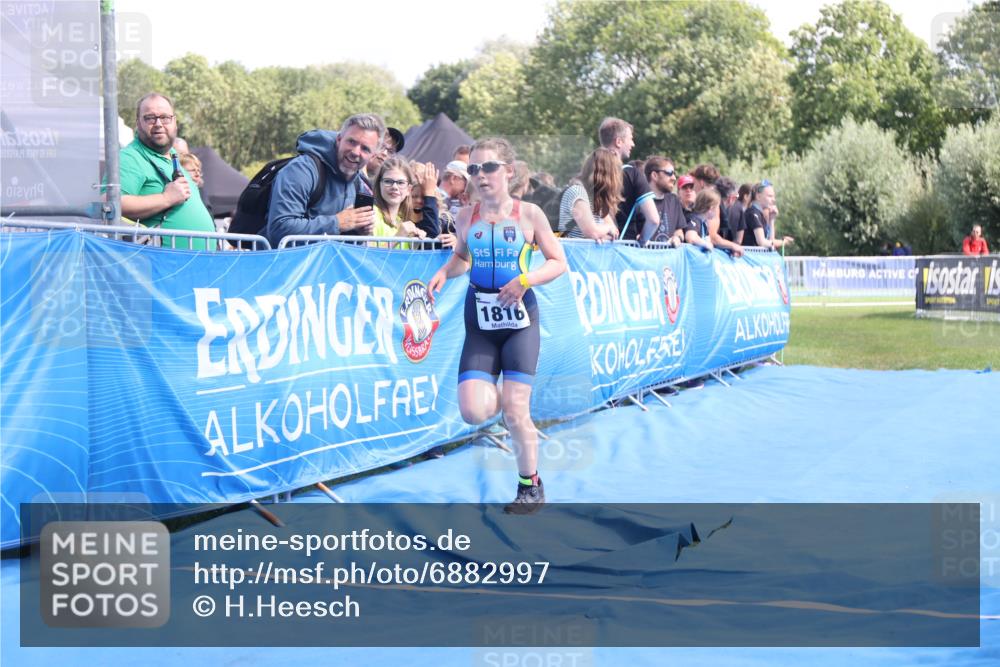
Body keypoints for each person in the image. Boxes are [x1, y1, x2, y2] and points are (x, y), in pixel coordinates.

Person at [427, 138, 567, 513]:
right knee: (473, 411)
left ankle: (530, 486)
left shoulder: (530, 214)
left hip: (520, 321)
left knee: (515, 410)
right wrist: (445, 271)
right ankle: (512, 403)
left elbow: (558, 262)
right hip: (480, 322)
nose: (480, 175)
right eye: (473, 169)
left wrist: (525, 280)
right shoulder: (464, 216)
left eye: (488, 167)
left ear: (508, 171)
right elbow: (462, 257)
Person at [265, 113, 384, 247]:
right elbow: (279, 229)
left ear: (372, 156)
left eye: (365, 149)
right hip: (282, 260)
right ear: (339, 139)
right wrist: (337, 223)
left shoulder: (360, 185)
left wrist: (358, 232)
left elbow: (342, 242)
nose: (355, 152)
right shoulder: (302, 170)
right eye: (352, 142)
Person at [119, 93, 215, 249]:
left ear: (174, 122)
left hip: (197, 260)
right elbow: (113, 203)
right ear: (138, 123)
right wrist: (166, 198)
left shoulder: (172, 156)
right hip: (165, 261)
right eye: (150, 118)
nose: (158, 123)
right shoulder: (131, 157)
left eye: (165, 117)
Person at [598, 117, 659, 243]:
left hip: (593, 247)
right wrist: (643, 240)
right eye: (630, 139)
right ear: (619, 142)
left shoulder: (590, 173)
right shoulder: (632, 174)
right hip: (624, 248)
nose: (633, 144)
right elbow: (654, 220)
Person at [371, 157, 439, 246]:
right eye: (388, 181)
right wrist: (398, 237)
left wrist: (416, 244)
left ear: (409, 190)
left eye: (401, 183)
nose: (394, 187)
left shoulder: (405, 222)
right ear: (379, 185)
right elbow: (366, 254)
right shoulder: (370, 214)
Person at [557, 148, 622, 241]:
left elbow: (614, 232)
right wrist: (607, 229)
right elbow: (592, 232)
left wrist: (602, 234)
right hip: (572, 249)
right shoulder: (578, 192)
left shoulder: (596, 197)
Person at [643, 156, 686, 246]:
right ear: (654, 175)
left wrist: (677, 238)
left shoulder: (674, 200)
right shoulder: (640, 201)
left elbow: (679, 230)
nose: (674, 178)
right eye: (669, 173)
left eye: (674, 174)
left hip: (668, 255)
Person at [742, 181, 792, 250]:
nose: (774, 200)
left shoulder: (759, 213)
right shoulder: (753, 213)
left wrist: (772, 219)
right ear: (758, 196)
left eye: (774, 197)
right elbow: (762, 242)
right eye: (770, 196)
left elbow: (770, 240)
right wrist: (783, 242)